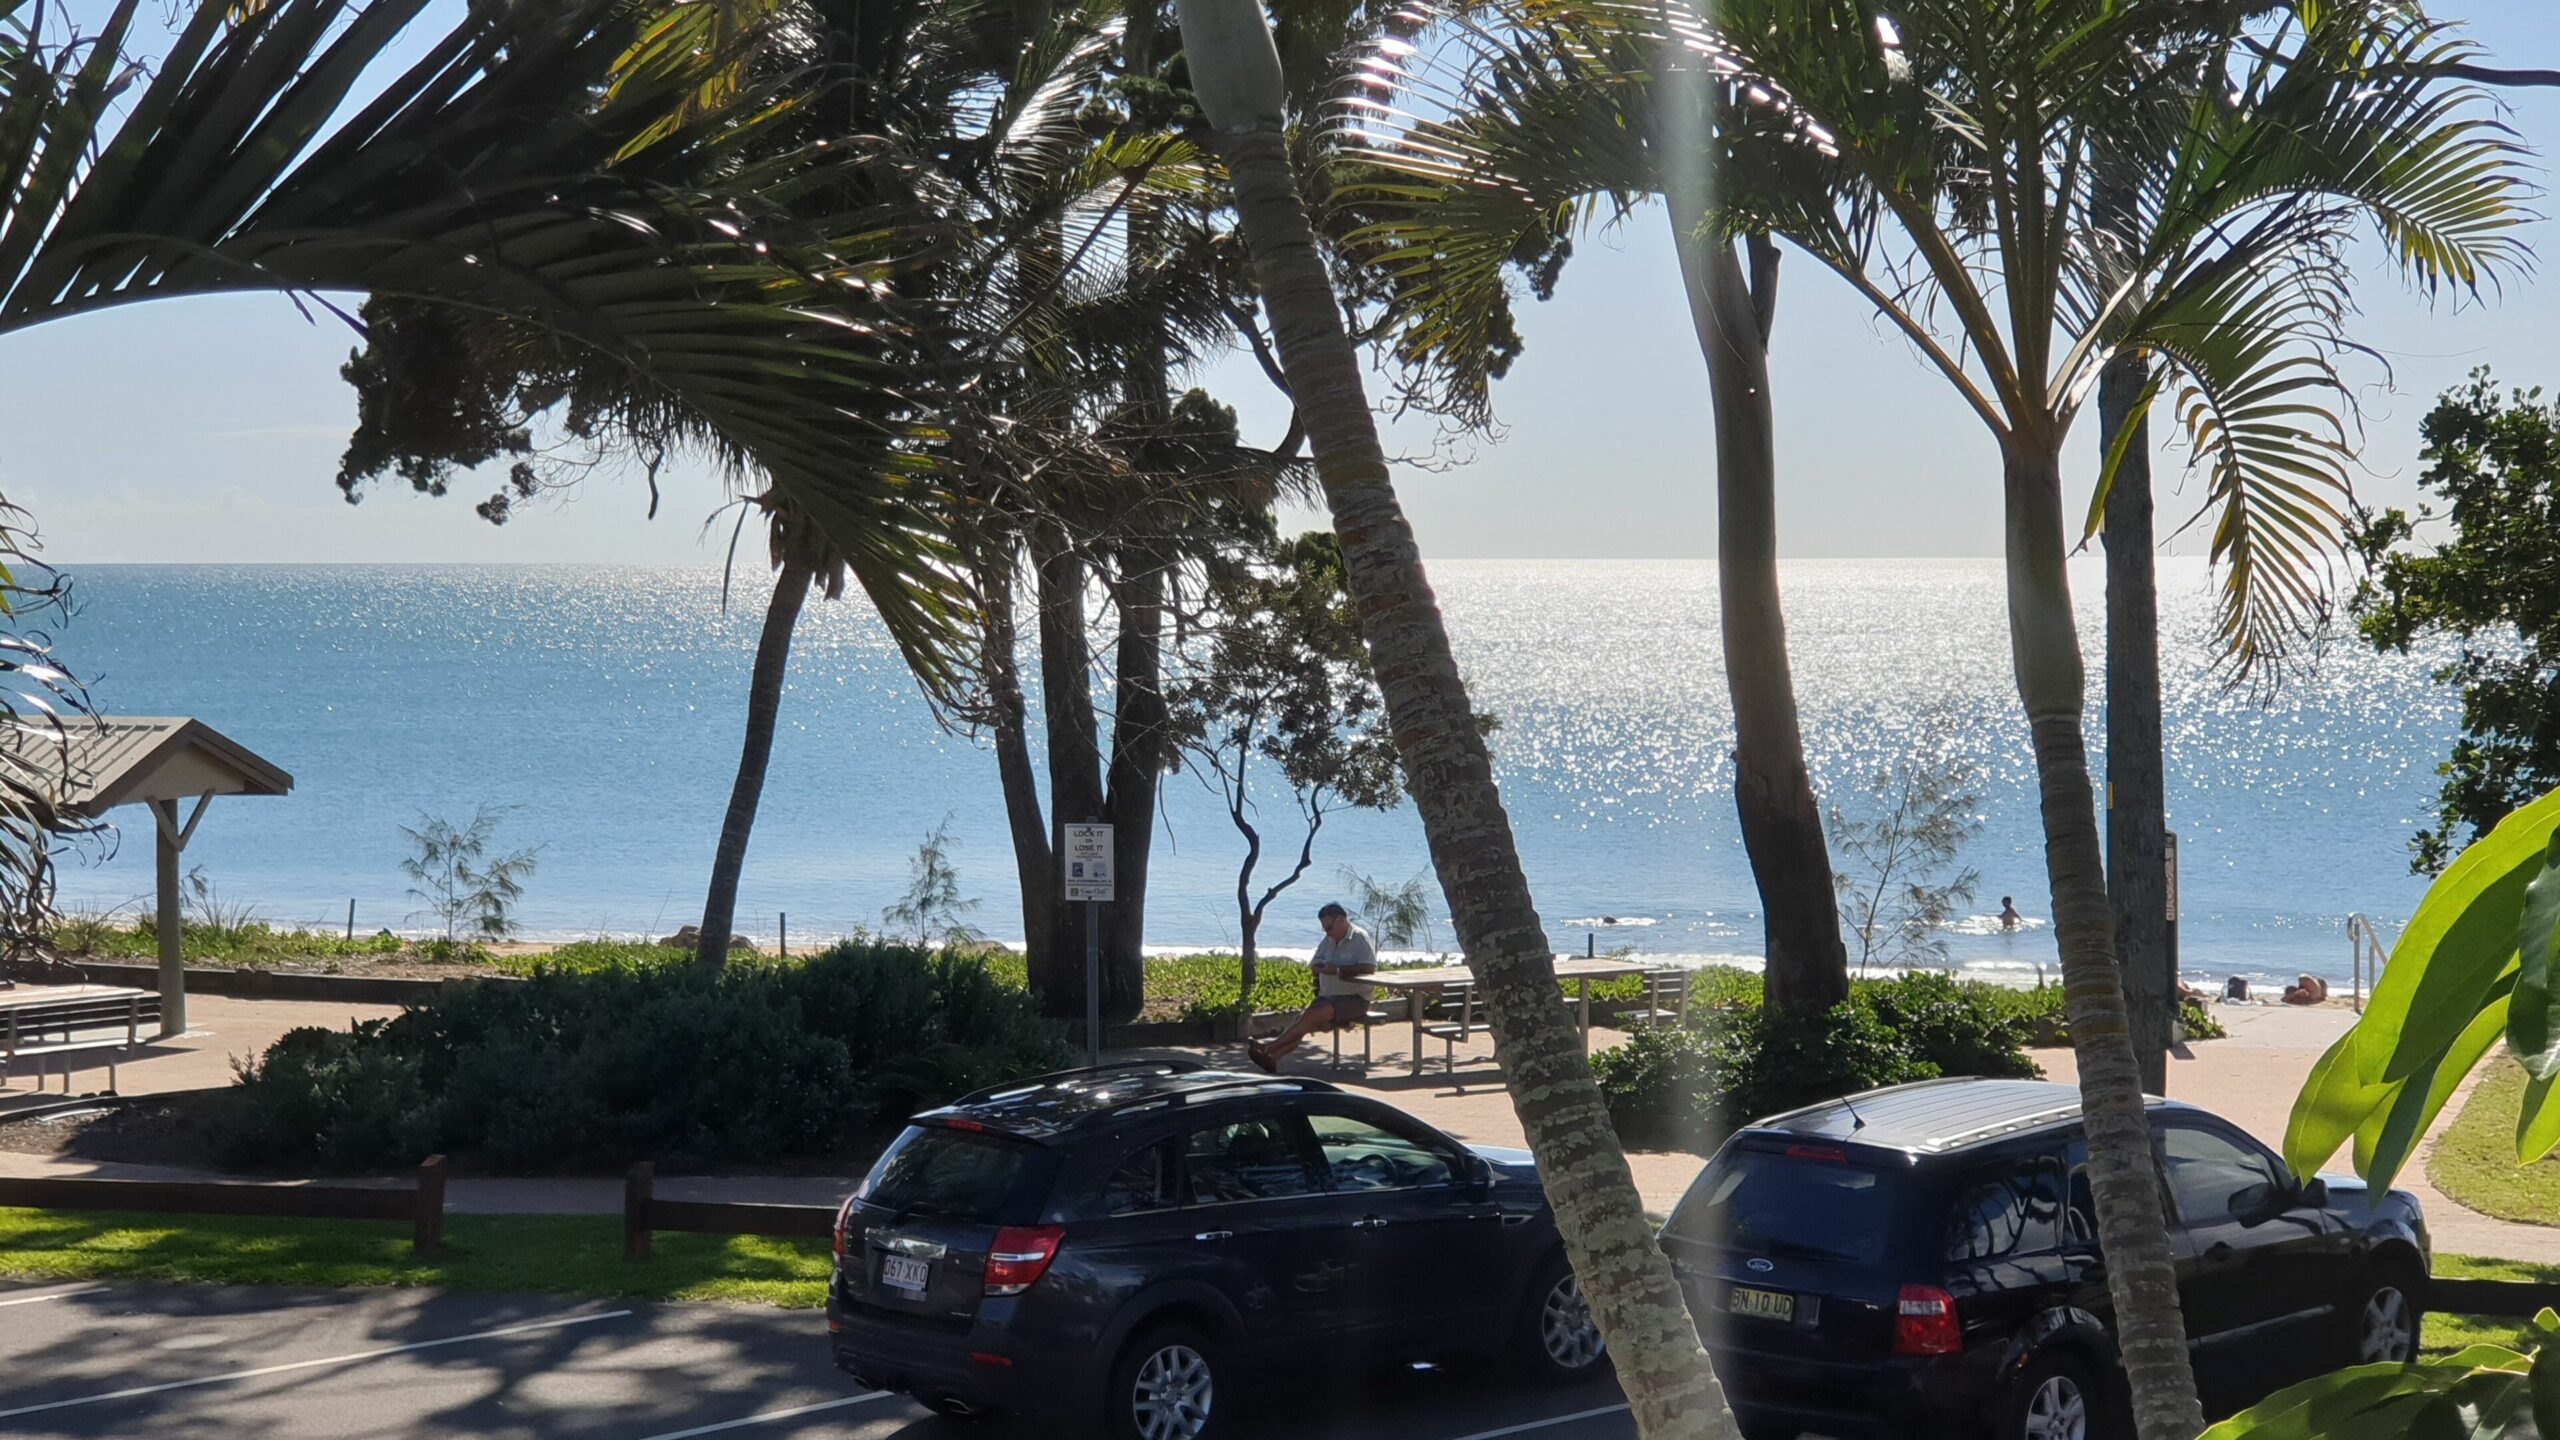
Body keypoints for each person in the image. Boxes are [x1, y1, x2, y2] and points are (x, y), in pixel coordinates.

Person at [1248, 902, 1377, 1073]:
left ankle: (1268, 1048)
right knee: (1303, 1022)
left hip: (1354, 1000)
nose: (1328, 933)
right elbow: (1315, 961)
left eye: (1329, 928)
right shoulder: (1328, 940)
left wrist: (1338, 970)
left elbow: (1369, 968)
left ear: (1340, 921)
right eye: (1325, 929)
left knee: (1311, 1016)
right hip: (1328, 997)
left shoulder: (1360, 938)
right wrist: (1318, 967)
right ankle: (1273, 1058)